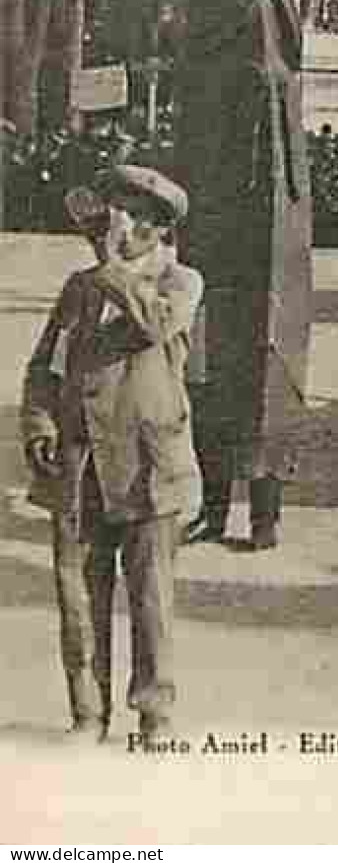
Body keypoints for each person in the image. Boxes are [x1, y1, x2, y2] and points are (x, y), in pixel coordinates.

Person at [21, 166, 203, 743]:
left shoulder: (181, 282)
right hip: (79, 465)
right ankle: (87, 714)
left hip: (148, 464)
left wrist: (112, 269)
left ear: (159, 227)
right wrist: (38, 425)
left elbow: (152, 326)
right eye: (115, 213)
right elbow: (42, 368)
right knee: (78, 597)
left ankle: (155, 714)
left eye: (132, 218)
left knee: (150, 595)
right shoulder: (80, 287)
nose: (119, 225)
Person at [174, 0, 313, 551]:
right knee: (212, 346)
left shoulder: (266, 6)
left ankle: (261, 508)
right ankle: (220, 502)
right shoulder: (218, 13)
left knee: (257, 344)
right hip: (218, 202)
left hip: (260, 208)